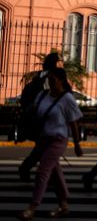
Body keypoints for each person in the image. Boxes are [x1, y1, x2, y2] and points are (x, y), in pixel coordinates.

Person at [17, 68, 83, 221]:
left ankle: (32, 208)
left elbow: (73, 123)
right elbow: (33, 113)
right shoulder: (43, 95)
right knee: (54, 172)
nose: (50, 82)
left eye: (53, 79)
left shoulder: (67, 98)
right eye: (49, 79)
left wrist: (77, 144)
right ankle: (63, 205)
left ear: (61, 80)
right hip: (43, 139)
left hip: (58, 139)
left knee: (43, 172)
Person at [18, 52, 61, 182]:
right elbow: (50, 97)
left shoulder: (39, 77)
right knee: (45, 150)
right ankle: (30, 170)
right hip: (44, 120)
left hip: (36, 118)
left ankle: (49, 176)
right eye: (59, 62)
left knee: (43, 149)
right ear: (55, 63)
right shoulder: (50, 78)